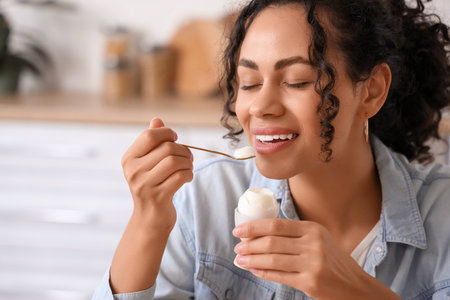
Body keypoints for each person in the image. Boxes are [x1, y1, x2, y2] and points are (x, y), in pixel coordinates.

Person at [93, 0, 450, 299]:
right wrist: (147, 221)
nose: (261, 106)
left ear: (370, 91)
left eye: (297, 80)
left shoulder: (443, 215)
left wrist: (355, 290)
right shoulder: (205, 201)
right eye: (248, 83)